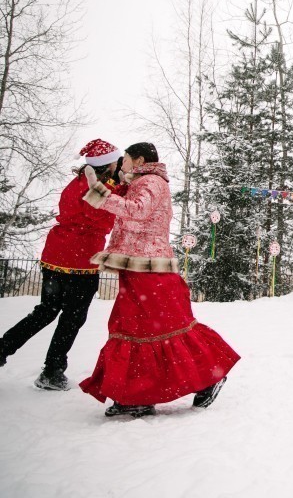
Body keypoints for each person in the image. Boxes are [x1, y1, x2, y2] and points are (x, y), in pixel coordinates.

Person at [78, 142, 240, 417]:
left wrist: (99, 193)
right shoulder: (140, 181)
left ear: (139, 160)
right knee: (132, 329)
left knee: (160, 328)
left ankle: (209, 376)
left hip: (150, 268)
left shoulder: (152, 181)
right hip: (137, 265)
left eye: (125, 159)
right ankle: (136, 395)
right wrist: (115, 185)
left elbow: (138, 211)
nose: (122, 165)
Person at [0, 140, 124, 390]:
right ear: (107, 165)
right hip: (80, 259)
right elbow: (101, 216)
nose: (118, 165)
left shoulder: (78, 181)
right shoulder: (97, 188)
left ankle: (3, 348)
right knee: (72, 317)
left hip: (56, 254)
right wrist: (120, 188)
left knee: (46, 311)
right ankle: (53, 370)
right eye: (115, 161)